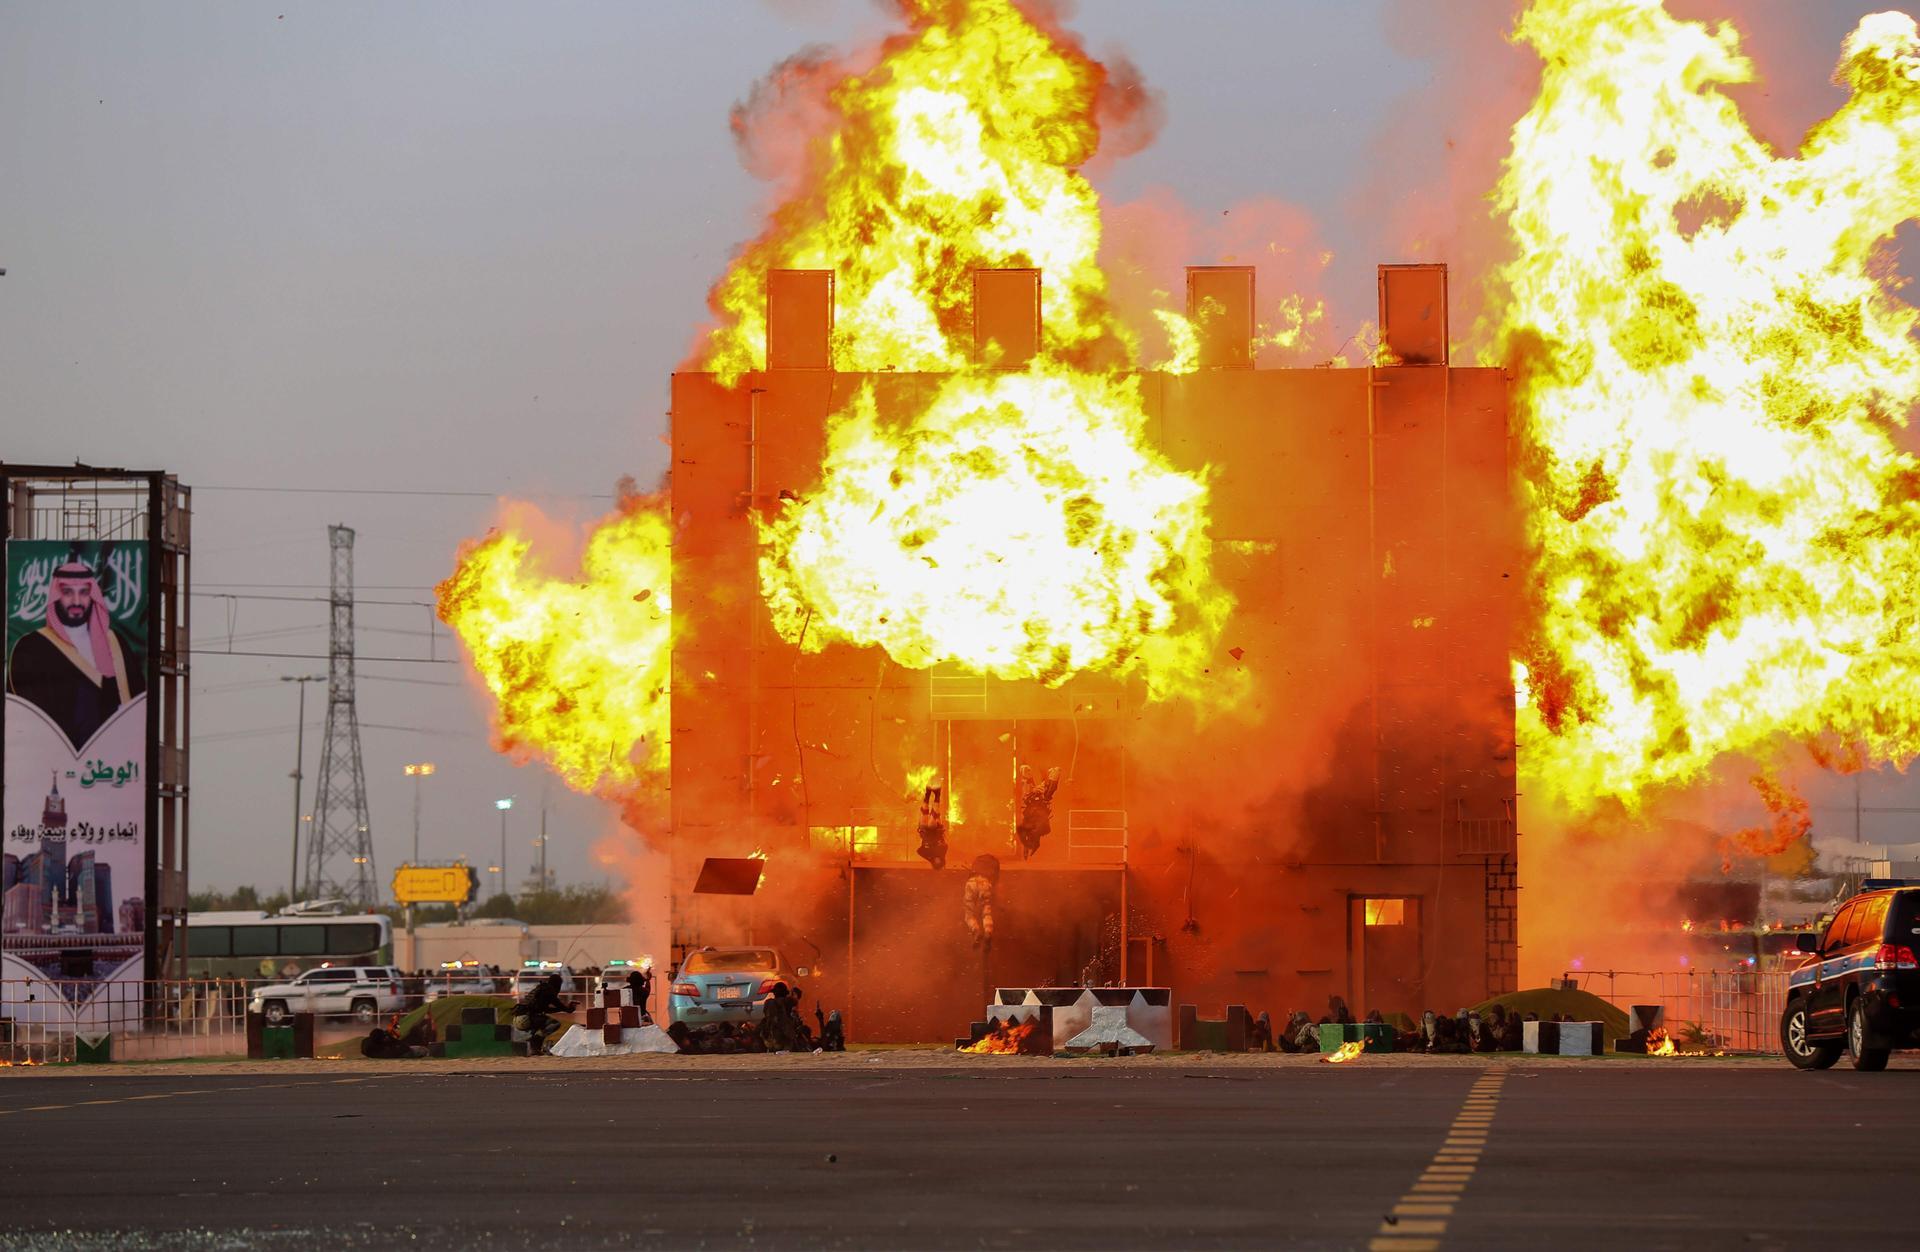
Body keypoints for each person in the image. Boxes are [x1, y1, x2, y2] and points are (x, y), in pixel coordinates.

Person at [6, 558, 147, 752]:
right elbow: (26, 716)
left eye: (84, 593)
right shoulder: (32, 647)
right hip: (58, 759)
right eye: (67, 593)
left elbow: (139, 702)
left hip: (118, 758)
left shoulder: (115, 643)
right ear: (56, 596)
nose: (77, 602)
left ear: (93, 596)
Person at [512, 972, 575, 1055]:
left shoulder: (542, 989)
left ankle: (534, 1048)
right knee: (554, 1024)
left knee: (542, 1022)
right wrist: (568, 1009)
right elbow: (560, 1006)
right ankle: (534, 1042)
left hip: (519, 1018)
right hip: (526, 1018)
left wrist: (565, 1009)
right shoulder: (549, 991)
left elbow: (546, 1009)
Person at [1014, 765, 1061, 858]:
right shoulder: (1031, 791)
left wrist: (1055, 776)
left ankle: (1030, 847)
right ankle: (1028, 847)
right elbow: (1026, 795)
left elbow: (1050, 789)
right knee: (1027, 831)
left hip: (1039, 816)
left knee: (1034, 832)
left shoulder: (1044, 794)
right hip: (1031, 814)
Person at [964, 855, 999, 946]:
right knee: (986, 911)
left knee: (969, 913)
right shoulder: (994, 863)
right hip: (985, 883)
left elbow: (970, 874)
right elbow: (995, 879)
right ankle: (988, 931)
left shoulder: (977, 861)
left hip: (971, 883)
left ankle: (975, 929)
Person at [915, 783, 948, 870]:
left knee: (924, 814)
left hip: (925, 833)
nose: (937, 861)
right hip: (935, 832)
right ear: (942, 860)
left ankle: (928, 793)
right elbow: (945, 845)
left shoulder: (929, 856)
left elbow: (919, 851)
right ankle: (937, 794)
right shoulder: (942, 852)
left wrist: (927, 852)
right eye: (939, 862)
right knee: (931, 822)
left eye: (936, 863)